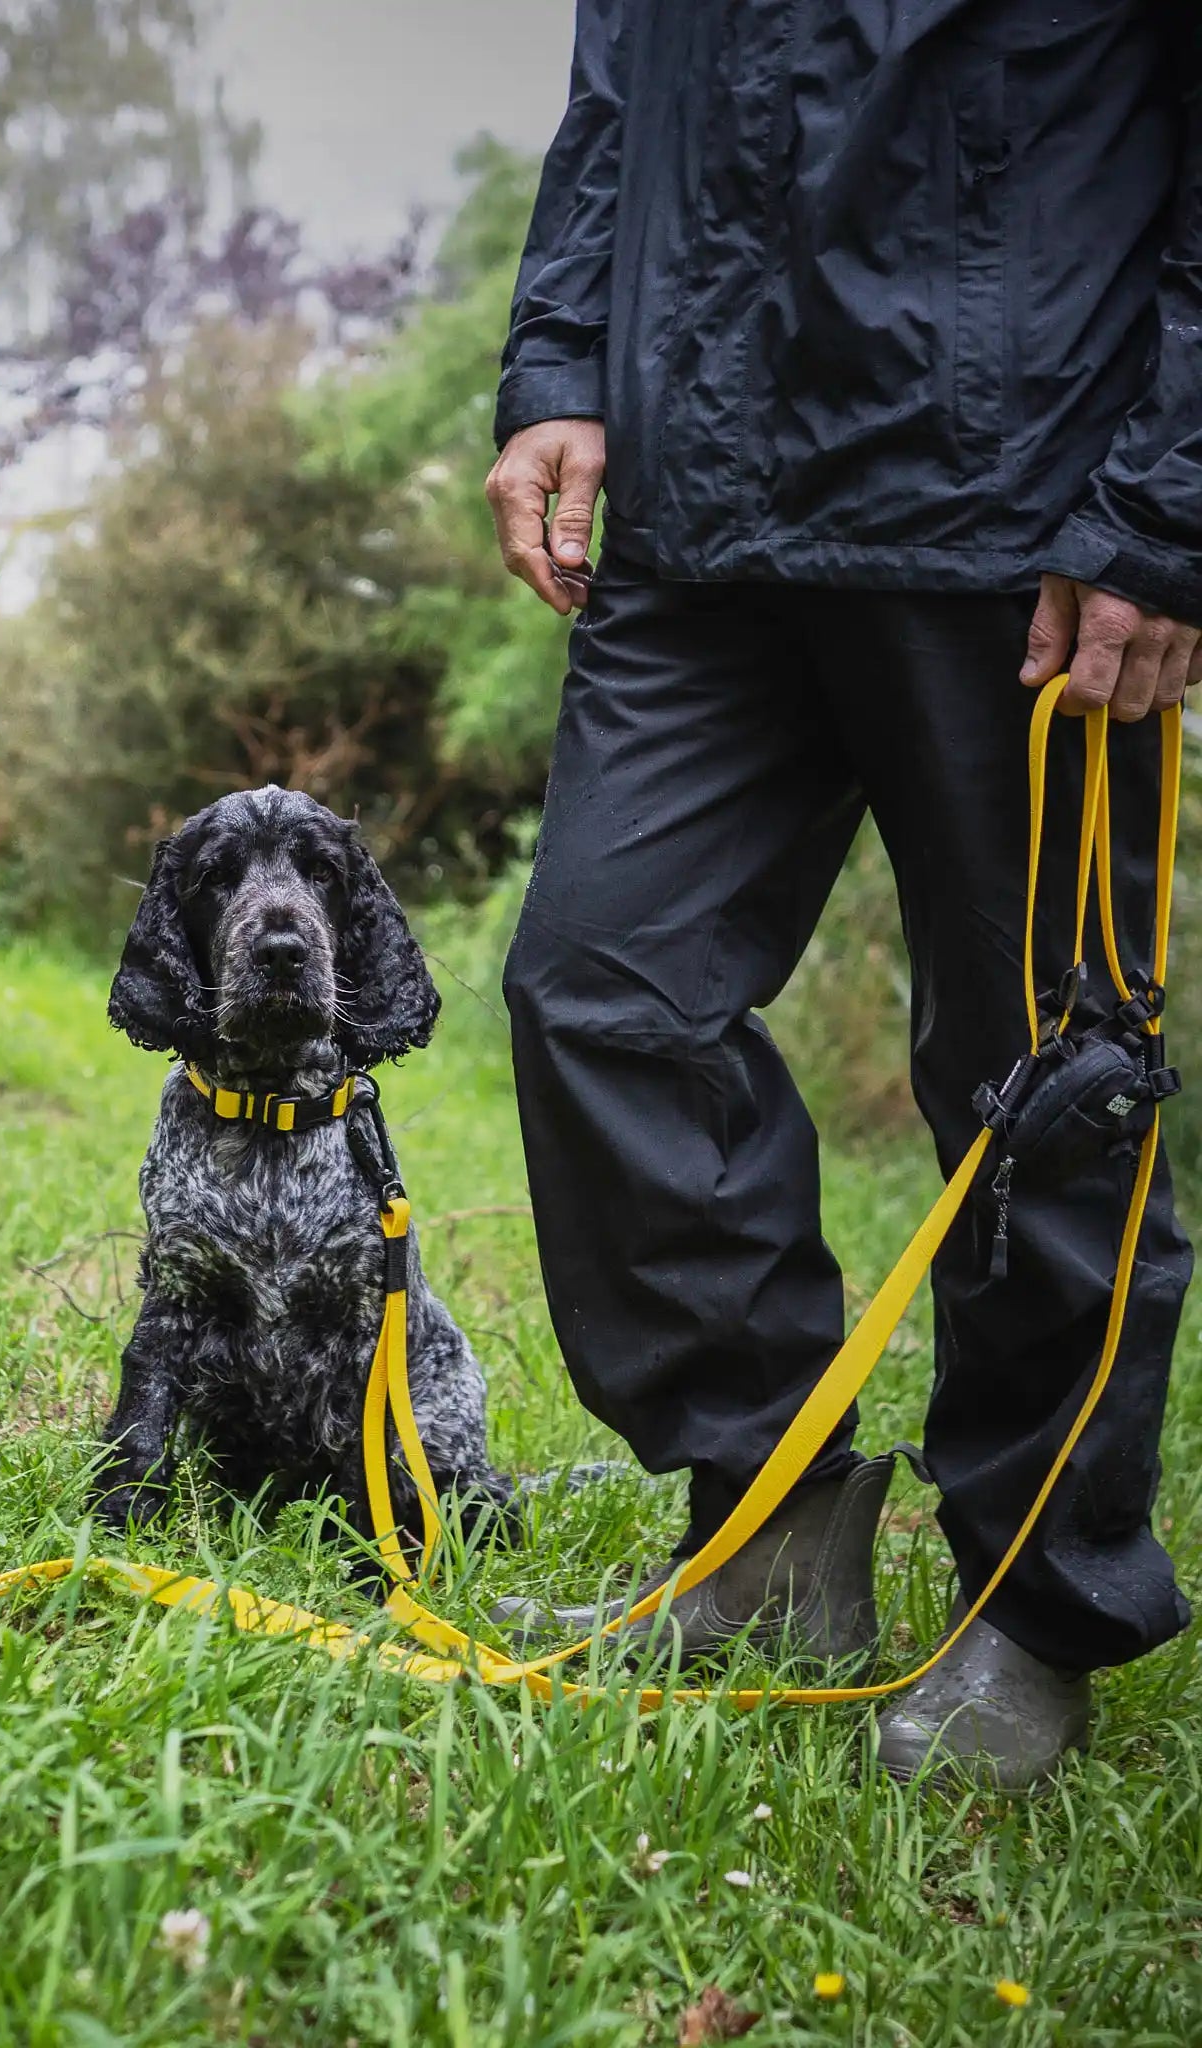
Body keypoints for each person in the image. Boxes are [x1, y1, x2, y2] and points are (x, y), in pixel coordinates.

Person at [485, 1, 1202, 1788]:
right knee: (598, 990)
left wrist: (1175, 502)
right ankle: (773, 1514)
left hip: (1021, 510)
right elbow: (614, 91)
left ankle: (1034, 1613)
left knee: (1048, 1081)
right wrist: (562, 363)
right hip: (701, 502)